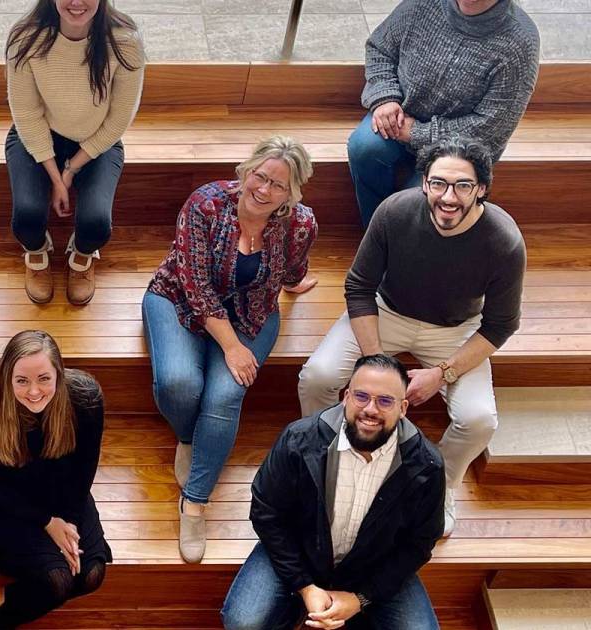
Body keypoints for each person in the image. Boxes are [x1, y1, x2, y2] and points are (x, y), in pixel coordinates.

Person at [299, 137, 526, 538]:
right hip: (387, 312)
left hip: (454, 330)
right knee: (316, 377)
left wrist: (441, 373)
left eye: (462, 186)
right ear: (424, 183)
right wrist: (377, 365)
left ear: (481, 190)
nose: (448, 197)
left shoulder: (503, 241)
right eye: (438, 183)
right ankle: (322, 456)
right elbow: (359, 287)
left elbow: (500, 325)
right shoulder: (395, 212)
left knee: (479, 420)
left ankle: (439, 486)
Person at [143, 136, 318, 563]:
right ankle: (188, 437)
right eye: (260, 176)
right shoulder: (205, 203)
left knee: (224, 395)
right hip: (179, 299)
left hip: (252, 312)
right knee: (179, 383)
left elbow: (295, 268)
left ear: (292, 193)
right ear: (246, 170)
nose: (264, 189)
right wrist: (233, 348)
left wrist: (292, 284)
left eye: (279, 185)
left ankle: (195, 502)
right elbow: (196, 286)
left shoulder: (300, 223)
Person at [222, 354, 446, 630]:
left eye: (385, 401)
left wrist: (361, 597)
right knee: (243, 622)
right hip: (300, 551)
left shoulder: (428, 464)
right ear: (346, 396)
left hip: (373, 565)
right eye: (361, 396)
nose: (370, 409)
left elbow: (419, 542)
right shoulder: (298, 439)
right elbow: (266, 511)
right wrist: (304, 587)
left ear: (403, 408)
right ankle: (296, 607)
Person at [0, 330, 110, 629]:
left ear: (59, 373)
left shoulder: (85, 399)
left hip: (64, 491)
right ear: (7, 378)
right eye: (22, 381)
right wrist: (47, 522)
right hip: (5, 503)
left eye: (44, 378)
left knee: (92, 572)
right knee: (57, 581)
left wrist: (67, 520)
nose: (33, 391)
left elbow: (85, 468)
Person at [348, 0, 539, 228]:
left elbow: (490, 127)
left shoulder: (521, 40)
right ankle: (375, 231)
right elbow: (379, 48)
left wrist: (417, 132)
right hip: (399, 118)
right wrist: (385, 98)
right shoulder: (421, 4)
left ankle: (405, 245)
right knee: (364, 148)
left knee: (416, 204)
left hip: (458, 149)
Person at [5, 0, 145, 305]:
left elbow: (118, 120)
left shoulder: (124, 41)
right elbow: (27, 115)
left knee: (96, 223)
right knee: (26, 218)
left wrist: (71, 169)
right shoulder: (25, 38)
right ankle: (37, 251)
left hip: (98, 141)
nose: (76, 2)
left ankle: (82, 254)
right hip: (37, 136)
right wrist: (56, 177)